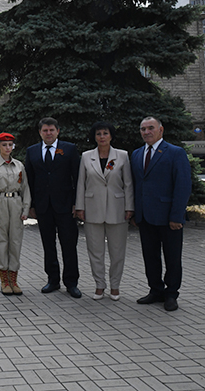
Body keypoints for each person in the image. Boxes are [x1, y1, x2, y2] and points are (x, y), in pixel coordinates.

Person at [131, 117, 191, 311]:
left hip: (168, 217)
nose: (146, 132)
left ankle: (171, 294)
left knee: (172, 257)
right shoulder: (137, 154)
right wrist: (135, 213)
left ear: (160, 130)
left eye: (151, 128)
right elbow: (136, 186)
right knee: (150, 256)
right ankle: (155, 290)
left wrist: (176, 216)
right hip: (145, 217)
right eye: (143, 129)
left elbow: (182, 186)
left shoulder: (175, 152)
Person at [75, 122, 134, 301]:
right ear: (94, 136)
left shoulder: (122, 156)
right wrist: (80, 207)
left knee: (117, 252)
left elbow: (128, 184)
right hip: (92, 209)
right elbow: (80, 184)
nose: (102, 136)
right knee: (95, 251)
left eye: (105, 133)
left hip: (117, 210)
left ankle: (115, 286)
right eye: (98, 133)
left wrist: (129, 207)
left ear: (111, 136)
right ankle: (99, 285)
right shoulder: (86, 157)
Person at [25, 117, 82, 298]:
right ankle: (53, 280)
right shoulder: (32, 151)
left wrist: (76, 203)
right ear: (40, 132)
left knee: (69, 245)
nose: (48, 133)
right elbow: (29, 180)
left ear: (58, 131)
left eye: (51, 130)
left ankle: (71, 283)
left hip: (66, 206)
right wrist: (31, 205)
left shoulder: (69, 149)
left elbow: (77, 178)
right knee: (48, 245)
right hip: (43, 207)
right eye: (45, 130)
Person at [0, 133, 31, 295]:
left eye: (10, 145)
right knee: (1, 242)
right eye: (4, 145)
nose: (7, 148)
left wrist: (25, 209)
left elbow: (25, 188)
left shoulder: (19, 166)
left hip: (16, 203)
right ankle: (4, 281)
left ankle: (14, 280)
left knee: (15, 242)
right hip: (0, 203)